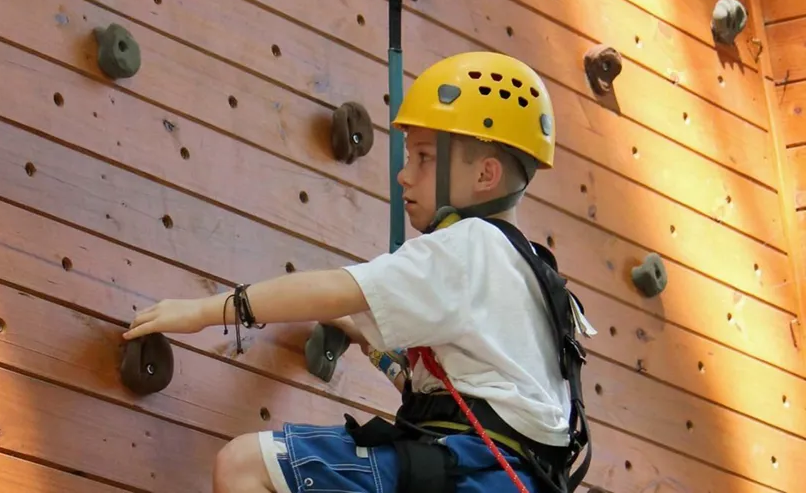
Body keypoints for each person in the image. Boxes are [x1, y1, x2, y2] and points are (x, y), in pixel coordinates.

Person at [123, 51, 594, 493]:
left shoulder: (470, 246)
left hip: (469, 472)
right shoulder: (539, 280)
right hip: (507, 478)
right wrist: (367, 339)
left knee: (245, 465)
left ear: (486, 176)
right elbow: (465, 399)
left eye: (425, 158)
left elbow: (335, 289)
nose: (404, 175)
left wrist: (210, 310)